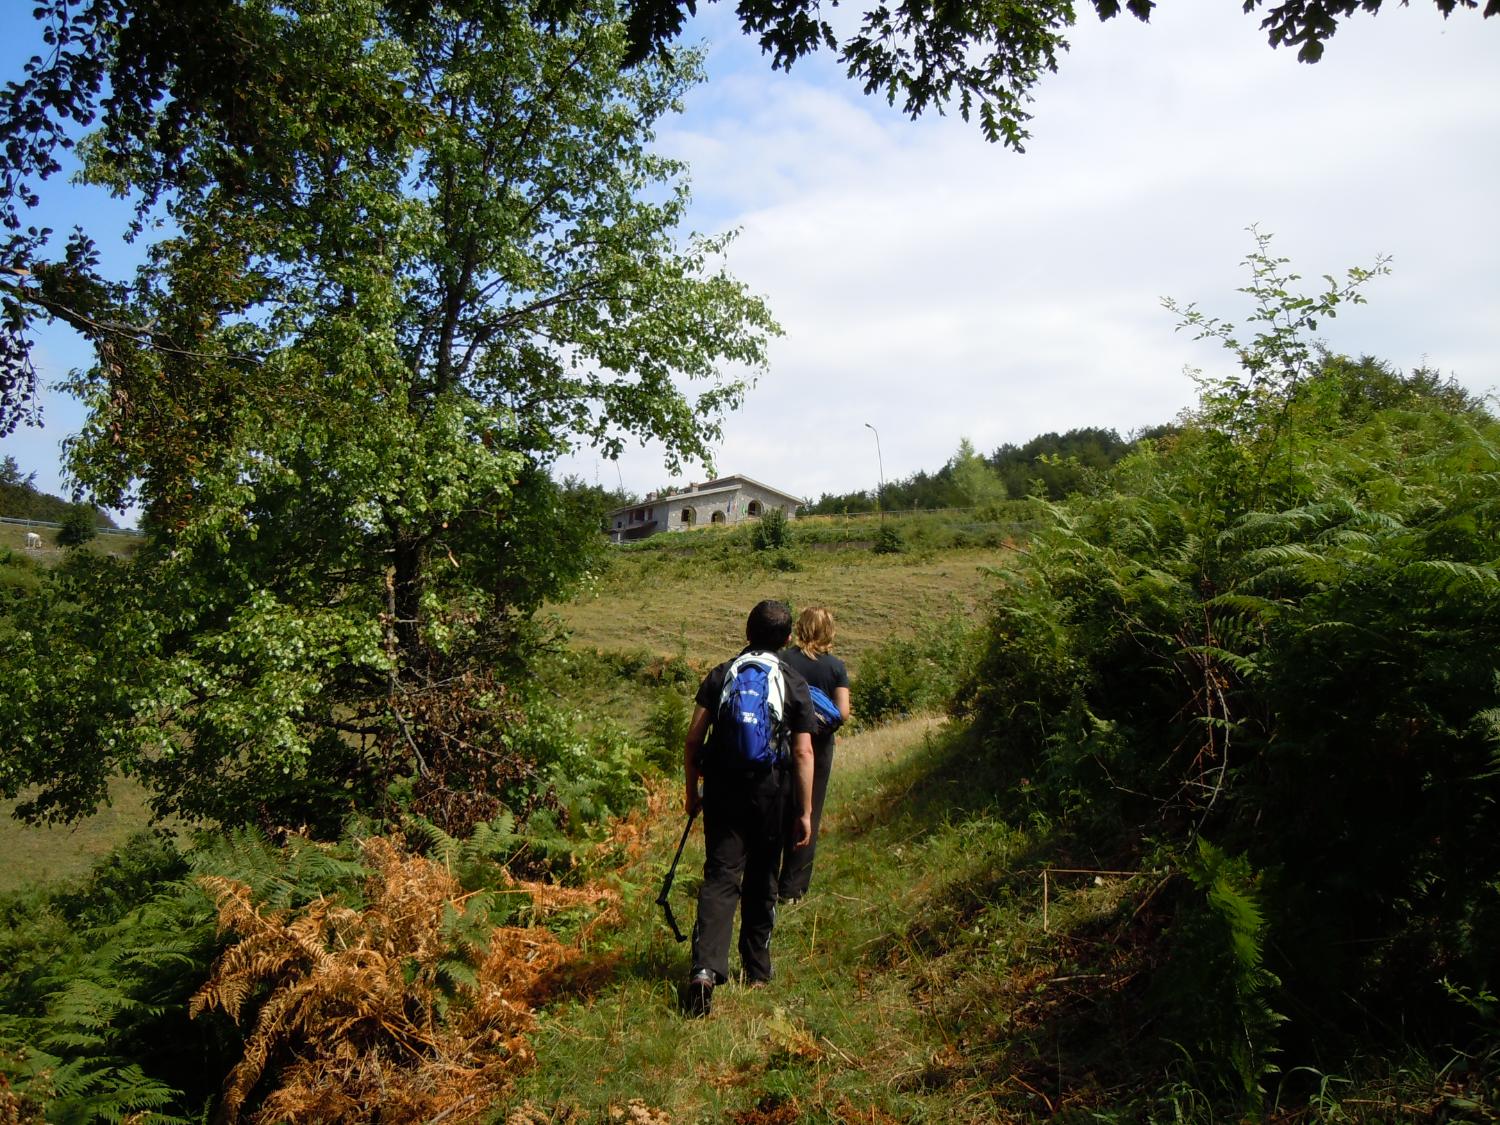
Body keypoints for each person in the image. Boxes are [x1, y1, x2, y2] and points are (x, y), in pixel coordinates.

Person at [682, 600, 815, 1017]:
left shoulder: (723, 673)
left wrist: (692, 793)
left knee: (721, 875)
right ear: (789, 639)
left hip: (722, 788)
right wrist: (805, 811)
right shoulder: (792, 680)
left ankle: (704, 971)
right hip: (770, 791)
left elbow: (692, 740)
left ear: (747, 631)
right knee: (762, 876)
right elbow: (804, 752)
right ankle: (757, 971)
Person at [776, 606, 852, 904]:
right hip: (818, 748)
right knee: (809, 811)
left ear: (800, 628)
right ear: (829, 631)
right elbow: (843, 712)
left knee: (780, 806)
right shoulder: (835, 667)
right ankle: (792, 889)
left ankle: (767, 881)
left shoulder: (782, 660)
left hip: (782, 741)